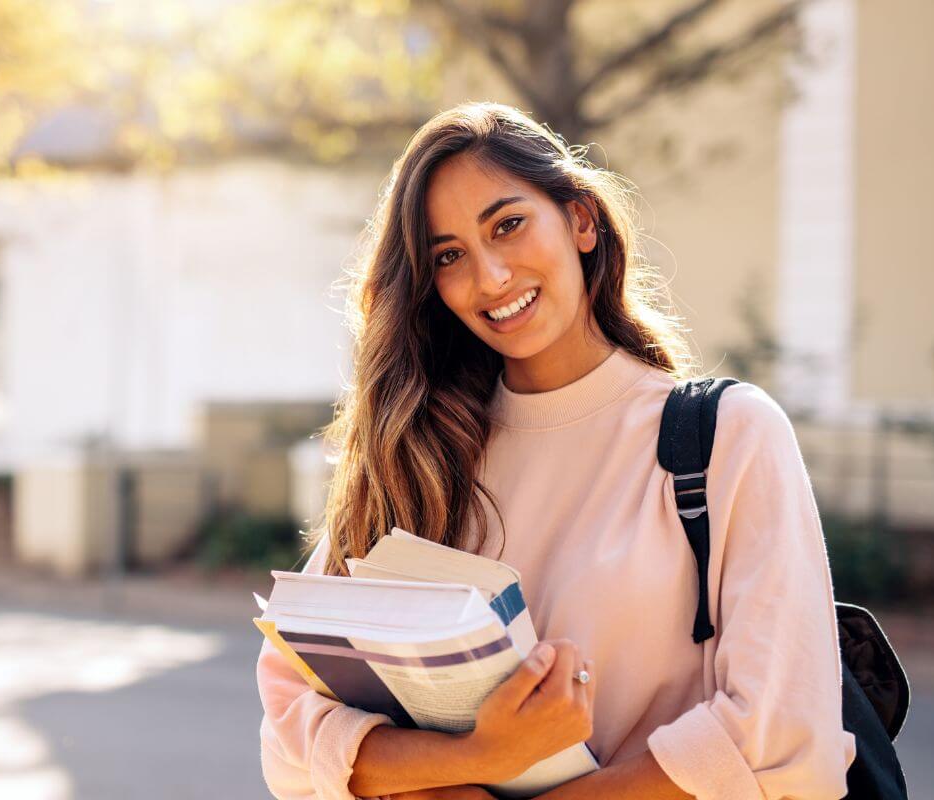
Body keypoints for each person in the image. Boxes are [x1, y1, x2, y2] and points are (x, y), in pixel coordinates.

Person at [255, 101, 857, 800]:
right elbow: (293, 735)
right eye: (449, 256)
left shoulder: (727, 436)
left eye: (507, 225)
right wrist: (480, 756)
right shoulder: (416, 456)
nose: (490, 278)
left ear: (580, 219)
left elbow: (778, 736)